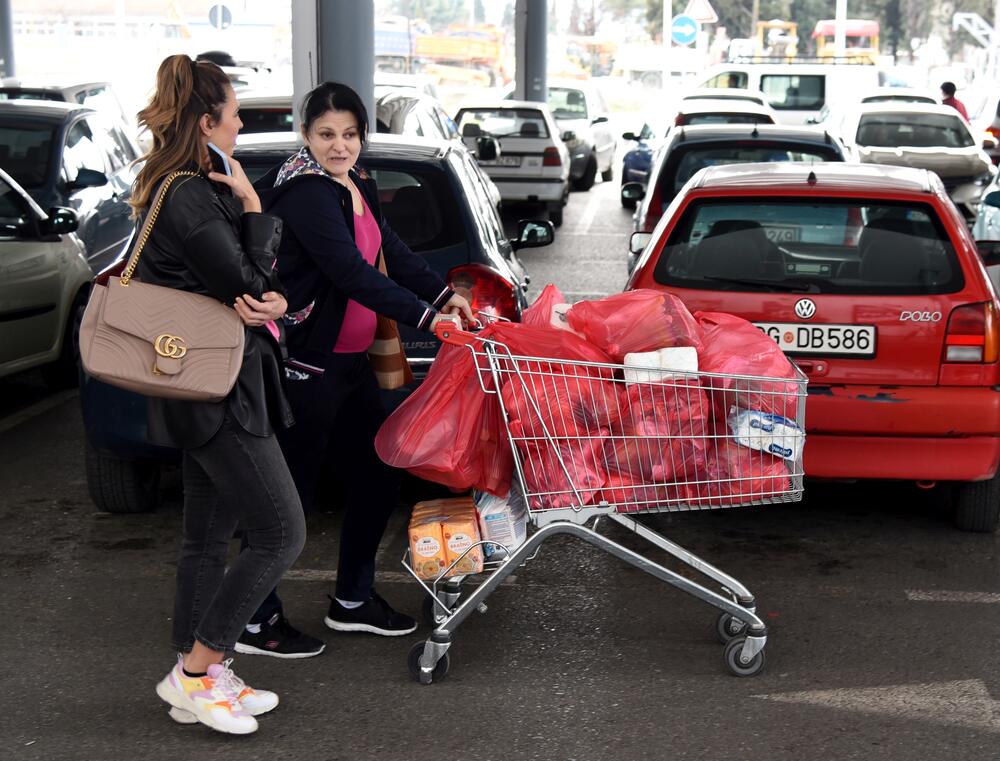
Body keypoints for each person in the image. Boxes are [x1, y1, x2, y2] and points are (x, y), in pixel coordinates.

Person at [244, 81, 473, 648]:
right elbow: (350, 271)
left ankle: (351, 599)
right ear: (306, 135)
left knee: (378, 469)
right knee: (288, 494)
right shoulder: (305, 192)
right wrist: (426, 320)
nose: (338, 145)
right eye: (326, 134)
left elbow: (391, 250)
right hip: (308, 363)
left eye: (349, 134)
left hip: (353, 366)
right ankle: (254, 616)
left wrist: (445, 297)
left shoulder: (355, 182)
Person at [131, 54, 305, 735]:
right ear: (207, 123)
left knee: (206, 536)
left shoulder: (167, 186)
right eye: (234, 118)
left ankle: (196, 673)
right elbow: (257, 289)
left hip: (194, 383)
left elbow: (244, 293)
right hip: (216, 388)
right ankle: (198, 670)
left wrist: (258, 294)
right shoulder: (191, 195)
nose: (238, 128)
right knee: (281, 529)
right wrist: (257, 208)